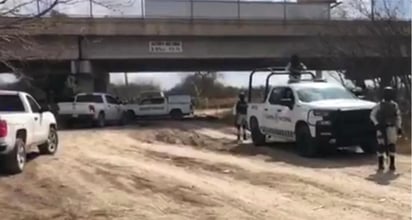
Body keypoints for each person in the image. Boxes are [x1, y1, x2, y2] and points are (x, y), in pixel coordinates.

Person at [370, 86, 402, 172]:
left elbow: (398, 117)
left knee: (392, 145)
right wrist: (377, 124)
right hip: (381, 128)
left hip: (391, 127)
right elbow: (372, 115)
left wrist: (399, 127)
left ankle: (392, 164)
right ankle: (381, 164)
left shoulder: (394, 105)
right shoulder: (379, 105)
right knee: (381, 145)